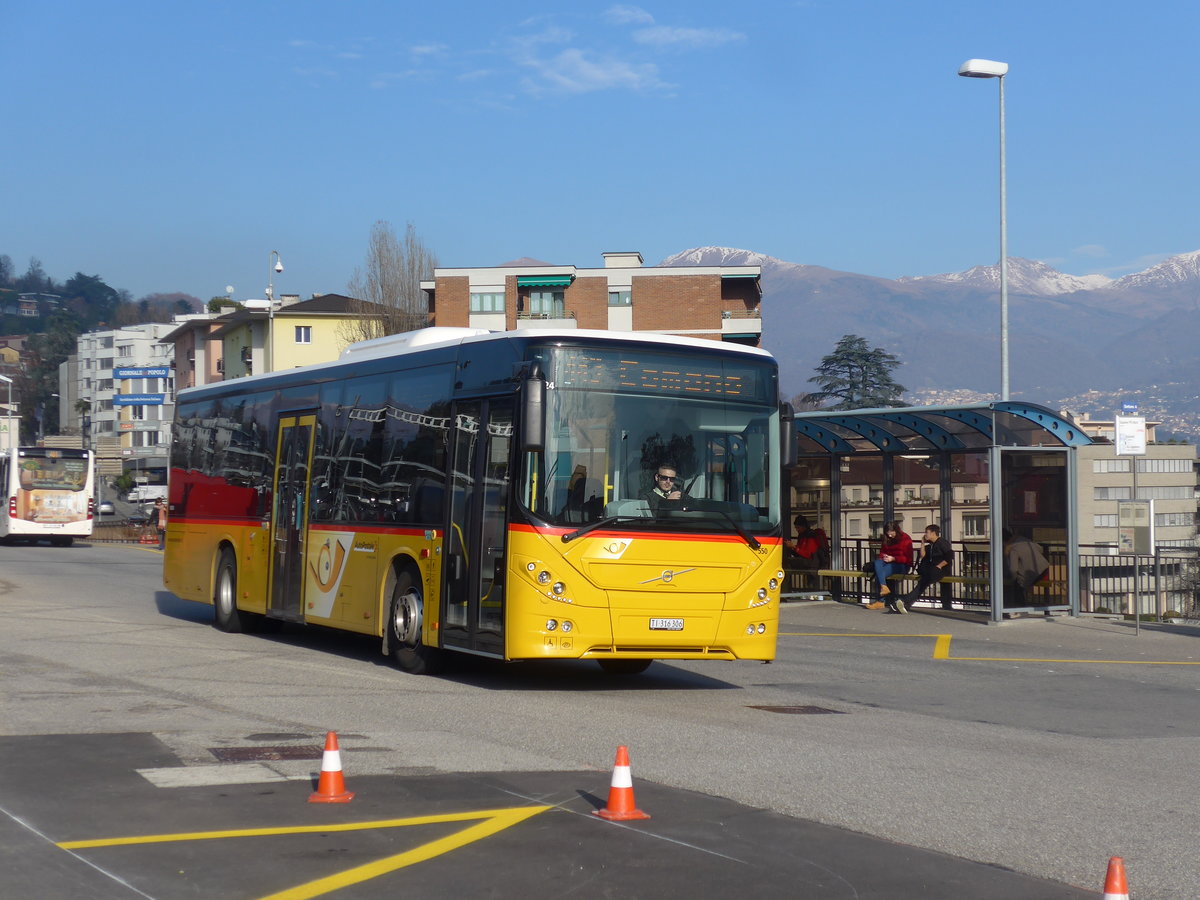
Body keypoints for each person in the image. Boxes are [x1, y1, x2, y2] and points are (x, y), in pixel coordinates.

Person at [891, 523, 952, 614]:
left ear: (933, 533)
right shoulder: (931, 545)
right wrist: (922, 543)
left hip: (941, 570)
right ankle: (906, 604)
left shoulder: (942, 542)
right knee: (922, 584)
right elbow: (922, 556)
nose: (925, 534)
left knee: (922, 584)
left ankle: (904, 600)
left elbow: (949, 557)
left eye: (927, 532)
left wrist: (939, 566)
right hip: (932, 570)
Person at [869, 521, 913, 609]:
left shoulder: (905, 538)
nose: (889, 536)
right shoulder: (887, 539)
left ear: (896, 530)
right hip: (889, 562)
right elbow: (882, 552)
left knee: (880, 573)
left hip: (901, 564)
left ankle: (881, 601)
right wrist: (884, 557)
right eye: (887, 534)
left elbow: (908, 559)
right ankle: (884, 587)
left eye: (891, 533)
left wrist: (894, 558)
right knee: (877, 562)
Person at [1002, 527, 1050, 608]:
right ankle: (1020, 607)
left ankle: (1019, 608)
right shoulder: (1023, 539)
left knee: (1017, 587)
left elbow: (1013, 569)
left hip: (1032, 573)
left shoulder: (1012, 549)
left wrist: (1011, 579)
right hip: (1044, 568)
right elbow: (1039, 548)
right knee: (1019, 585)